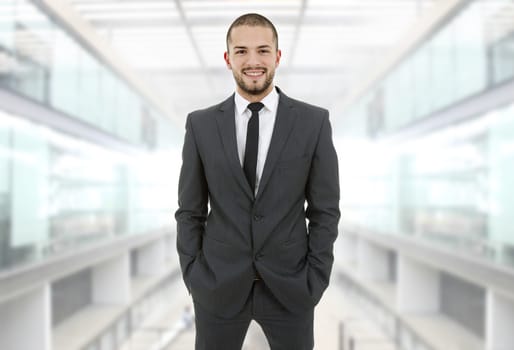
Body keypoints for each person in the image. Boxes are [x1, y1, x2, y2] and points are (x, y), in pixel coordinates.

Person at [175, 13, 340, 350]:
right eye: (242, 51)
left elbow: (325, 211)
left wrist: (315, 278)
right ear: (228, 58)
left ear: (278, 56)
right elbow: (189, 211)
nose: (253, 61)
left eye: (263, 50)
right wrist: (194, 275)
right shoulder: (201, 125)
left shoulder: (313, 122)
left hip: (291, 288)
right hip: (217, 286)